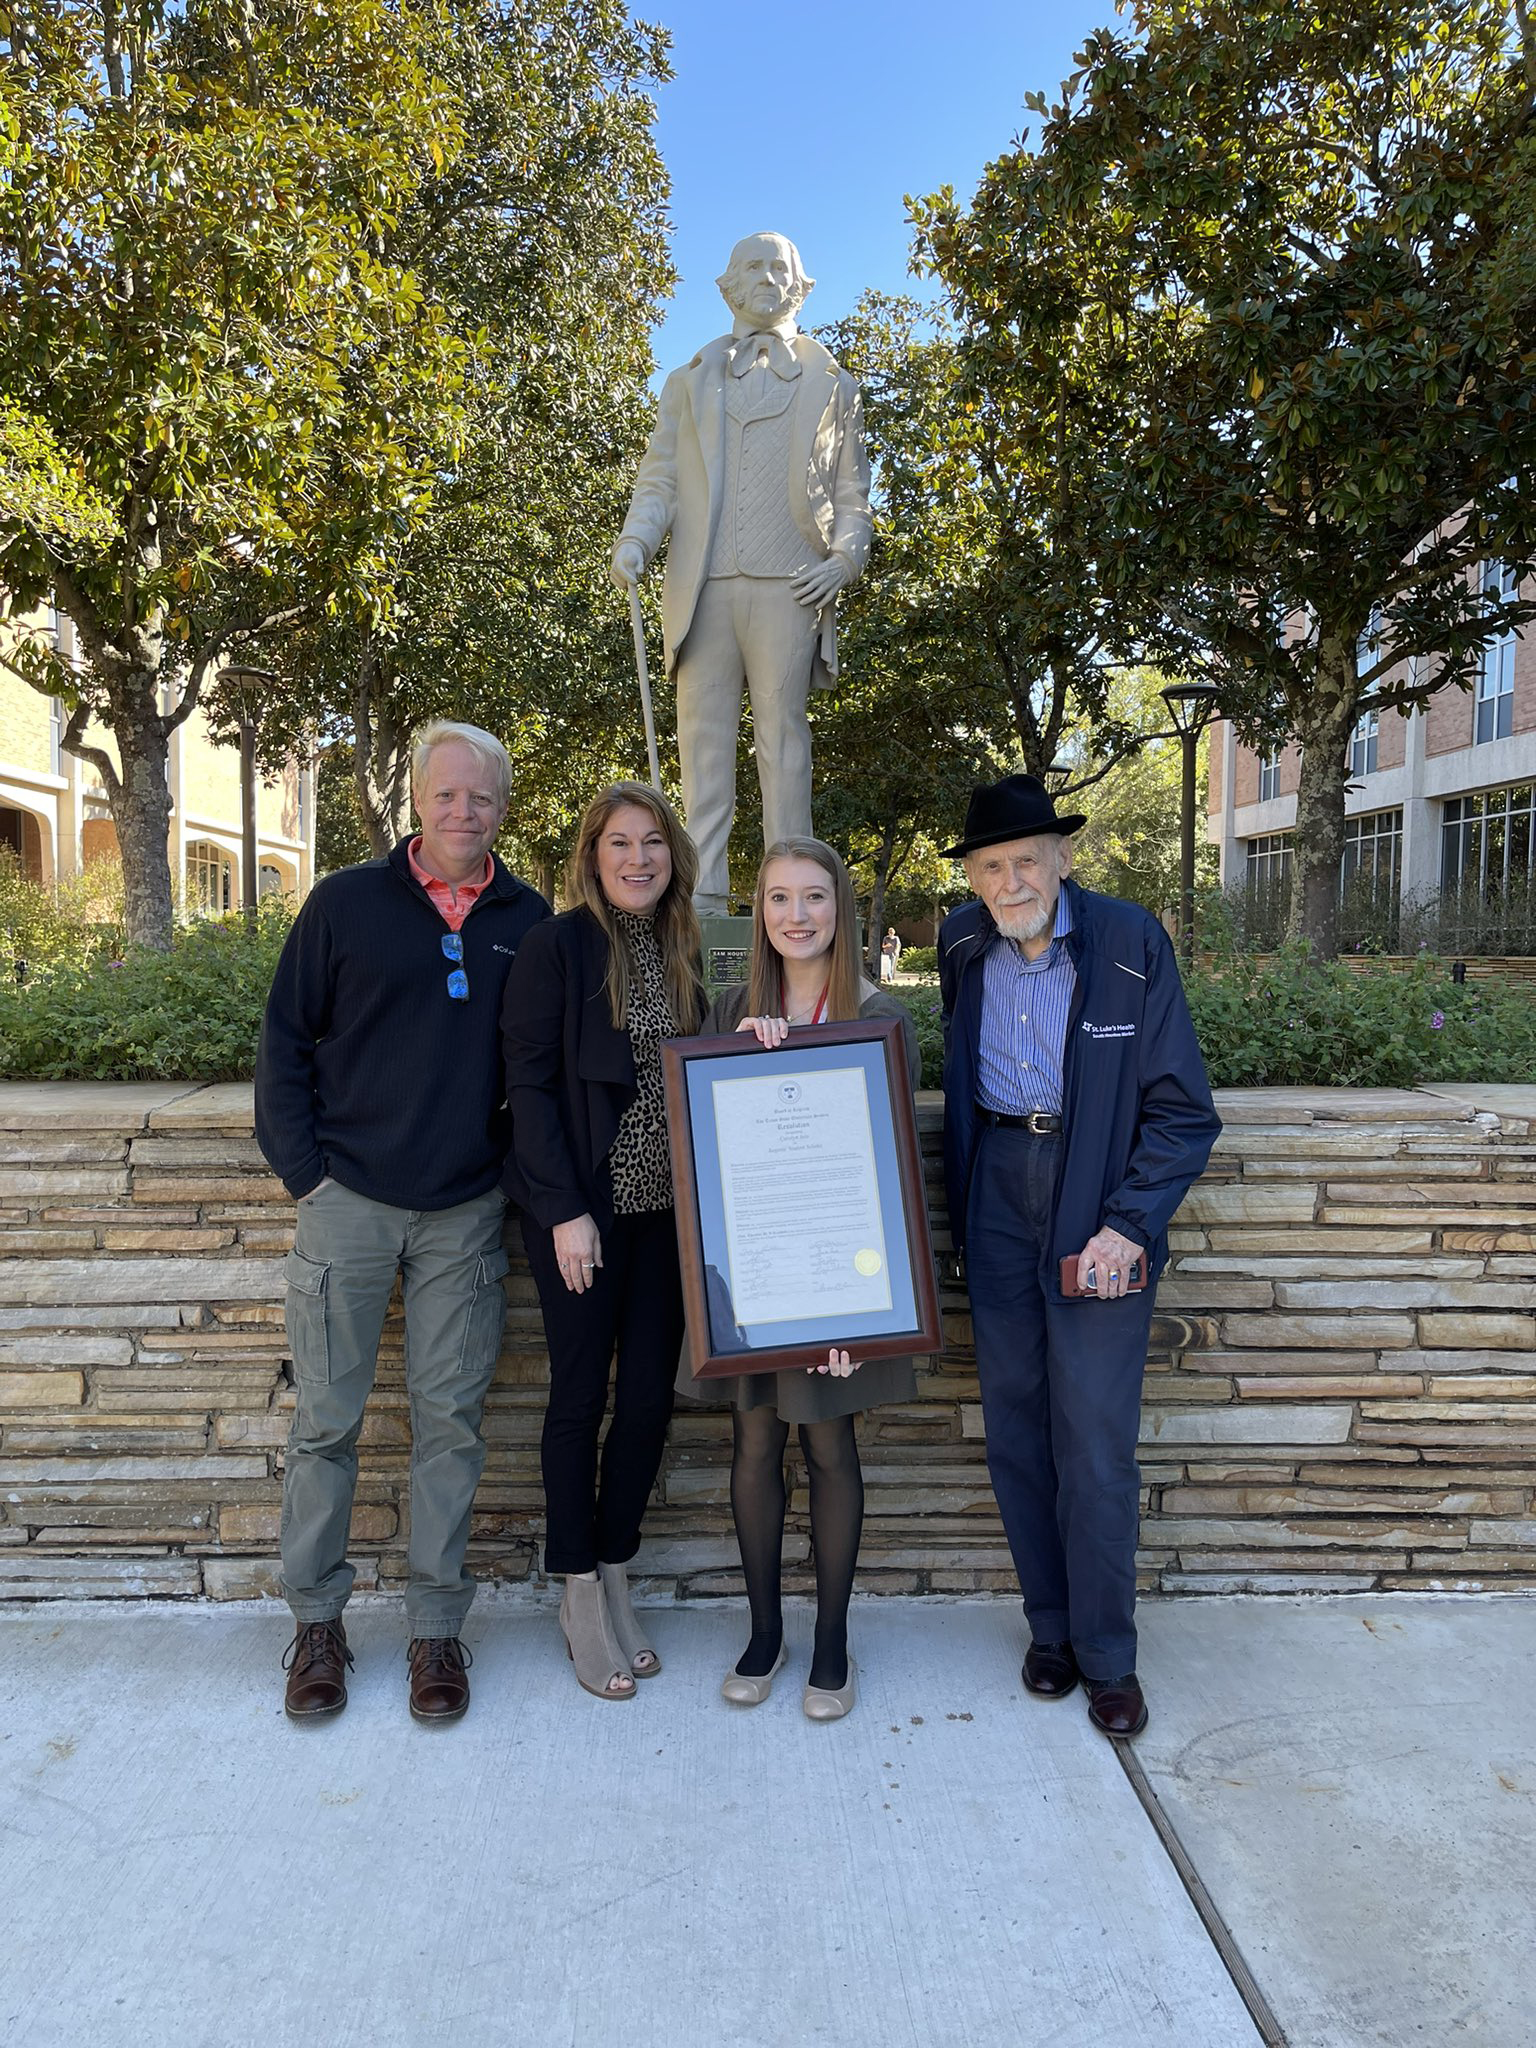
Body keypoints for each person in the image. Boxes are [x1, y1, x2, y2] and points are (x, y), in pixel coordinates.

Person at [255, 721, 550, 1724]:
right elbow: (284, 1040)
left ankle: (435, 1630)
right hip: (349, 1205)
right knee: (326, 1424)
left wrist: (511, 1178)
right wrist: (308, 1177)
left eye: (482, 797)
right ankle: (318, 1625)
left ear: (504, 807)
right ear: (416, 799)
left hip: (464, 1214)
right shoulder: (344, 902)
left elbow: (540, 1071)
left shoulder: (528, 917)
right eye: (446, 793)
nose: (463, 811)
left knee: (449, 1429)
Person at [938, 773, 1219, 1739]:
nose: (1011, 879)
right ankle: (1050, 1631)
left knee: (1094, 1440)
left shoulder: (1130, 942)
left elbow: (1183, 1111)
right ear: (972, 879)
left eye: (1026, 860)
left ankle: (1107, 1656)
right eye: (991, 866)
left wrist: (1129, 1223)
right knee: (1016, 1429)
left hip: (1095, 1194)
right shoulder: (961, 943)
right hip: (998, 1193)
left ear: (1062, 858)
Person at [676, 838, 921, 1722]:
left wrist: (873, 1312)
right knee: (750, 1448)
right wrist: (742, 1058)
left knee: (827, 1449)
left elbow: (890, 1176)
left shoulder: (882, 1016)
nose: (796, 915)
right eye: (778, 898)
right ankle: (765, 1633)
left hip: (836, 1287)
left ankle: (831, 1643)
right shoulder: (728, 1009)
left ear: (841, 910)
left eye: (814, 897)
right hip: (756, 1281)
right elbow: (703, 1148)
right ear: (760, 913)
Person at [501, 782, 706, 1700]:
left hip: (671, 1217)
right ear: (591, 856)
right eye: (618, 842)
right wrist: (562, 1212)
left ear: (673, 856)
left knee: (653, 1402)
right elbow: (531, 1088)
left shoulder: (687, 945)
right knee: (580, 1398)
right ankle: (577, 1587)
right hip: (584, 1212)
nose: (636, 858)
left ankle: (617, 1565)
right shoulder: (557, 946)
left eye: (652, 842)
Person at [611, 231, 872, 914]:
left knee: (784, 748)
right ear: (728, 285)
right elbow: (660, 478)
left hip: (792, 586)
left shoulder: (833, 384)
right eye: (752, 266)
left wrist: (844, 560)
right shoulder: (688, 380)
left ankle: (793, 905)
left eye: (778, 266)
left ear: (800, 284)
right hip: (706, 588)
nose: (766, 277)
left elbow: (853, 498)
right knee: (703, 754)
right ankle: (700, 912)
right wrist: (637, 540)